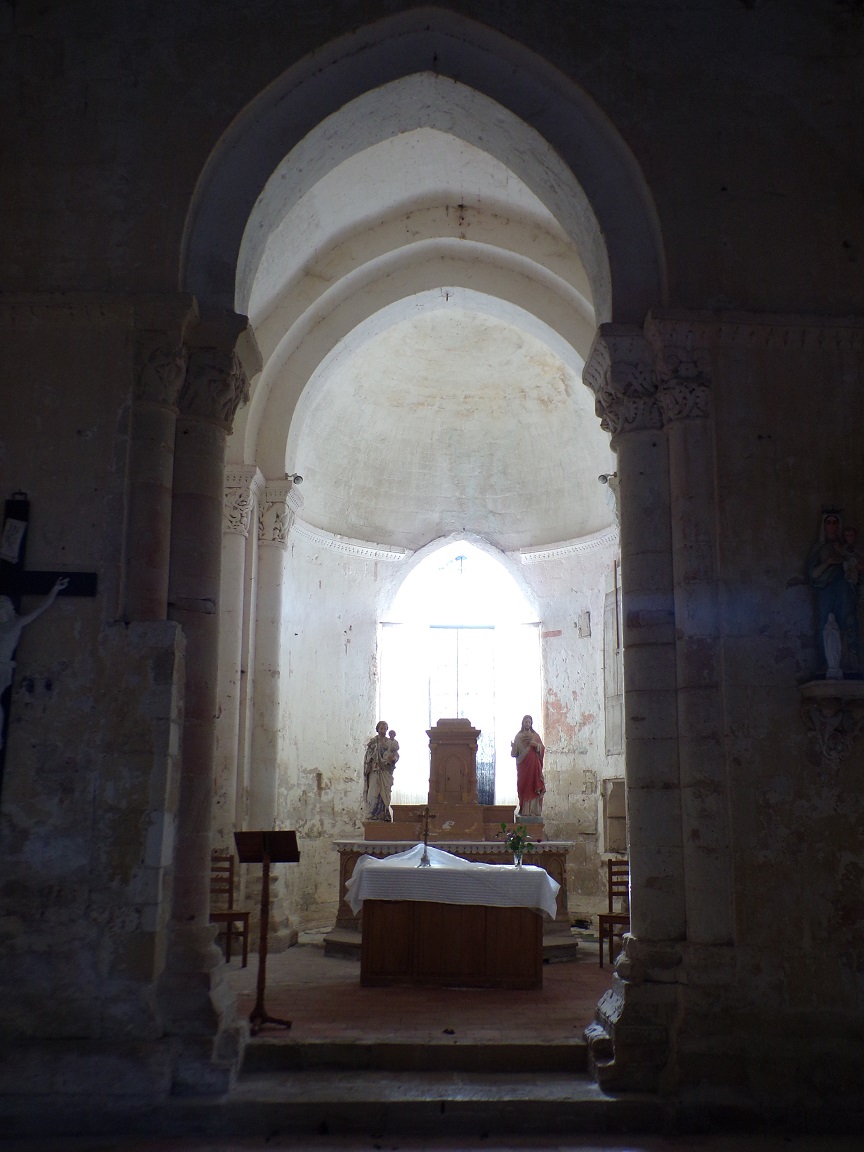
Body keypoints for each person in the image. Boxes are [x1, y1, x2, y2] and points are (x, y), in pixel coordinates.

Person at [0, 576, 69, 750]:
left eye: (1, 607)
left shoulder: (16, 623)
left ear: (7, 608)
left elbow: (39, 609)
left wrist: (54, 590)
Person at [807, 512, 860, 676]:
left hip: (843, 587)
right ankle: (827, 661)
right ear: (824, 526)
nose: (832, 525)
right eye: (828, 522)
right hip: (826, 589)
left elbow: (855, 563)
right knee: (825, 622)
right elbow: (812, 574)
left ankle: (848, 661)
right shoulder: (819, 548)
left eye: (834, 522)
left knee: (847, 619)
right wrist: (828, 563)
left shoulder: (845, 547)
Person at [510, 713, 545, 820]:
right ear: (523, 723)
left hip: (534, 765)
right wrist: (513, 747)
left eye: (529, 722)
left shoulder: (536, 736)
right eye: (526, 722)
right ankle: (524, 810)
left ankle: (534, 811)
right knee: (524, 786)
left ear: (531, 723)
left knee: (534, 784)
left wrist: (536, 746)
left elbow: (542, 748)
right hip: (523, 766)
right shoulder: (518, 736)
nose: (528, 724)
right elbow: (514, 754)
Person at [363, 719, 399, 821]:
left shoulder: (390, 742)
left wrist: (393, 759)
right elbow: (368, 755)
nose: (383, 730)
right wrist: (370, 762)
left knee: (385, 791)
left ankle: (384, 814)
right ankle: (372, 812)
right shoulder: (374, 742)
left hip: (386, 771)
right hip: (375, 769)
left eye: (385, 728)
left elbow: (396, 754)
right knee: (373, 791)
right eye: (381, 728)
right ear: (377, 729)